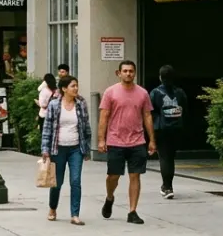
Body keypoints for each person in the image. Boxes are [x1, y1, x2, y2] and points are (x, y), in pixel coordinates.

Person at [98, 60, 155, 225]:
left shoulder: (143, 93)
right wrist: (101, 139)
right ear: (119, 73)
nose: (128, 73)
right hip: (116, 140)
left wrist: (152, 140)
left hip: (137, 140)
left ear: (135, 73)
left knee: (135, 175)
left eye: (131, 71)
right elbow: (104, 116)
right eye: (125, 71)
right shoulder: (111, 92)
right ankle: (109, 198)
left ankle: (132, 211)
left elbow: (147, 116)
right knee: (113, 176)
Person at [42, 75, 91, 225]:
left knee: (75, 181)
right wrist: (45, 149)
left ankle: (75, 214)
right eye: (72, 86)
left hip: (76, 148)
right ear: (64, 89)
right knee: (57, 182)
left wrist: (87, 149)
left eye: (76, 85)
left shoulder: (81, 104)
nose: (76, 88)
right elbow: (47, 127)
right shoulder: (54, 105)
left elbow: (86, 127)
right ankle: (52, 208)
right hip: (58, 148)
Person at [149, 64, 186, 201]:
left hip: (162, 129)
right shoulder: (180, 92)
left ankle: (167, 187)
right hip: (176, 128)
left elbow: (150, 112)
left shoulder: (155, 92)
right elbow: (185, 109)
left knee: (164, 158)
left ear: (160, 77)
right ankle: (168, 185)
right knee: (171, 157)